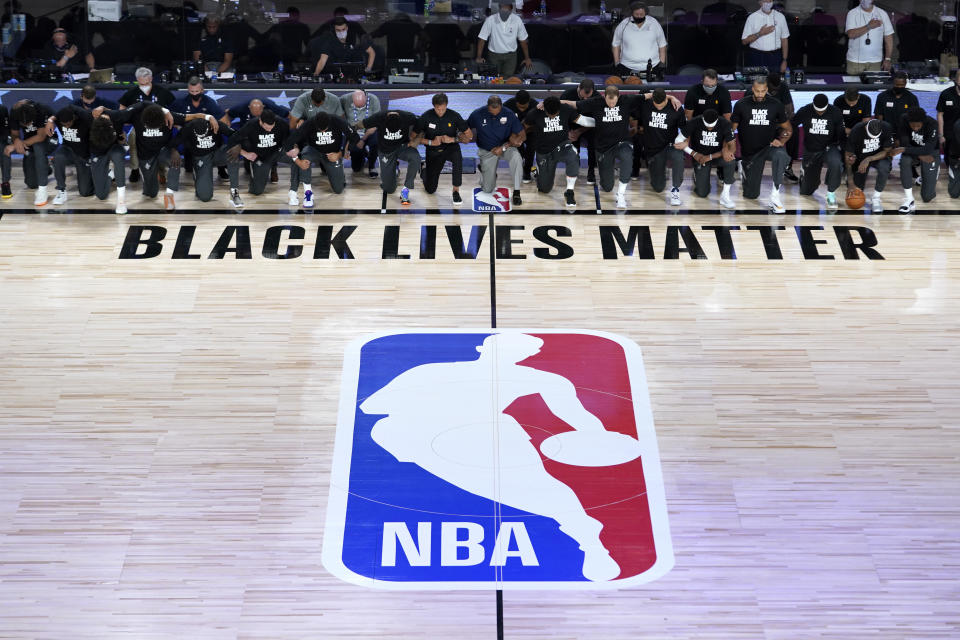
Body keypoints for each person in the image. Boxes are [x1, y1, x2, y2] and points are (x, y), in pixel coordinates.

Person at [359, 333, 621, 583]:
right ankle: (583, 531)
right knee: (388, 430)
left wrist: (601, 440)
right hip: (431, 436)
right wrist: (434, 398)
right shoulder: (431, 372)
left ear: (526, 356)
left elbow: (579, 418)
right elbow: (372, 406)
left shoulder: (541, 379)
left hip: (490, 436)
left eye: (518, 352)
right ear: (483, 349)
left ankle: (591, 543)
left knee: (543, 488)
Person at [98, 102, 206, 210]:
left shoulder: (169, 116)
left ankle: (169, 195)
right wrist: (102, 108)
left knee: (175, 161)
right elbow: (115, 115)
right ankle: (154, 178)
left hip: (163, 150)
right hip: (146, 154)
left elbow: (193, 117)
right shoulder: (135, 115)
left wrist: (208, 117)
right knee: (151, 193)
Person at [573, 84, 643, 209]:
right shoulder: (596, 102)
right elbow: (574, 104)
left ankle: (621, 195)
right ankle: (607, 178)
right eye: (609, 102)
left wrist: (671, 98)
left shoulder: (626, 100)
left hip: (622, 142)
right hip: (603, 147)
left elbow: (649, 96)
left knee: (627, 158)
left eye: (614, 102)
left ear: (618, 97)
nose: (612, 105)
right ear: (604, 96)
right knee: (607, 187)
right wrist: (556, 102)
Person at [731, 76, 792, 213]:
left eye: (763, 91)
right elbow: (731, 129)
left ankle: (775, 196)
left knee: (781, 155)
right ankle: (743, 166)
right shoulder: (741, 104)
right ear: (752, 89)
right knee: (751, 195)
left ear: (767, 90)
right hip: (750, 152)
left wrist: (781, 141)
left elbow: (788, 129)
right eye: (757, 91)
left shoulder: (775, 104)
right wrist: (730, 147)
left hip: (768, 147)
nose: (760, 94)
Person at [283, 111, 357, 206]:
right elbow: (289, 142)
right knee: (305, 156)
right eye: (320, 130)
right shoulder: (309, 123)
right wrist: (297, 160)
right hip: (314, 150)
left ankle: (340, 173)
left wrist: (340, 153)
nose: (322, 132)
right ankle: (308, 194)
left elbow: (355, 137)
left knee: (338, 190)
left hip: (332, 153)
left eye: (325, 129)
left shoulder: (337, 121)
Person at [224, 109, 293, 208]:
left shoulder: (282, 123)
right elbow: (232, 140)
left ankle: (295, 189)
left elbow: (289, 140)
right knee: (256, 191)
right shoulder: (251, 125)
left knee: (298, 158)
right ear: (260, 121)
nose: (269, 130)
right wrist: (246, 154)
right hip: (260, 156)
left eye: (272, 127)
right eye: (267, 128)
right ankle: (257, 169)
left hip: (277, 152)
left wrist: (293, 149)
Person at [117, 67, 175, 184]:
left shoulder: (162, 91)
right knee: (132, 138)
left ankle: (161, 170)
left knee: (163, 141)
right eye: (141, 83)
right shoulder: (131, 93)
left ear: (151, 79)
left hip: (159, 125)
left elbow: (173, 107)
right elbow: (121, 110)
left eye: (147, 82)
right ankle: (135, 168)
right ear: (137, 80)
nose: (144, 86)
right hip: (139, 125)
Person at [523, 96, 582, 208]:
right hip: (544, 151)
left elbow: (582, 120)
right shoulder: (534, 112)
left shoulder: (566, 108)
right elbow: (524, 126)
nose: (553, 116)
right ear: (544, 110)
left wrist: (599, 122)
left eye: (555, 114)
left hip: (562, 146)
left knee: (573, 156)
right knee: (545, 189)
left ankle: (569, 192)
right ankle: (538, 173)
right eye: (550, 115)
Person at [467, 95, 525, 206]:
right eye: (492, 112)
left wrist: (504, 147)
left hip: (506, 147)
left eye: (497, 112)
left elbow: (523, 135)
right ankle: (485, 171)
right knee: (487, 190)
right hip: (487, 150)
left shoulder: (509, 114)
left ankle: (517, 191)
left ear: (501, 106)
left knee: (516, 158)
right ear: (487, 107)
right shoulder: (477, 114)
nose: (495, 114)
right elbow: (465, 127)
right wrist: (463, 135)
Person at [674, 108, 736, 209]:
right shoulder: (694, 121)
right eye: (707, 126)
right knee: (702, 193)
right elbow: (678, 141)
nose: (709, 129)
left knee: (730, 160)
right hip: (700, 157)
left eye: (712, 127)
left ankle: (725, 195)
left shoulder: (724, 123)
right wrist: (693, 153)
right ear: (703, 119)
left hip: (716, 155)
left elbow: (732, 148)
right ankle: (698, 176)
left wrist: (712, 156)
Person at [791, 93, 844, 210]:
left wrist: (845, 151)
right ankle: (805, 175)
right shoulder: (805, 110)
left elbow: (841, 134)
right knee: (806, 192)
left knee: (836, 163)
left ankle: (831, 194)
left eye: (822, 111)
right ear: (813, 105)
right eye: (817, 110)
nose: (820, 113)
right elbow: (792, 125)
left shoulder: (835, 112)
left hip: (830, 147)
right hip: (811, 149)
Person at [358, 110, 422, 205]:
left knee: (416, 157)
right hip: (386, 152)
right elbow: (360, 125)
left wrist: (416, 139)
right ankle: (393, 168)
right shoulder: (378, 117)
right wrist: (351, 132)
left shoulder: (408, 116)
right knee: (389, 189)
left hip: (403, 147)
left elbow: (423, 124)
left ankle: (406, 189)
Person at [418, 93, 471, 203]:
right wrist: (431, 142)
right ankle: (424, 171)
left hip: (450, 148)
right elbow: (413, 138)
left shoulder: (454, 116)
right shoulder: (426, 116)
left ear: (446, 105)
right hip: (433, 150)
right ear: (434, 106)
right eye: (438, 109)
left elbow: (469, 136)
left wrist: (453, 139)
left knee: (458, 159)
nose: (440, 112)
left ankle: (456, 191)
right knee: (430, 190)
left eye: (443, 109)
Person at [169, 115, 235, 204]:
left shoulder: (216, 124)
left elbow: (235, 134)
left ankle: (235, 190)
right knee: (205, 197)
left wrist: (237, 146)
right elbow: (174, 142)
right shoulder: (188, 127)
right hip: (201, 157)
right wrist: (174, 150)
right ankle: (198, 173)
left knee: (234, 152)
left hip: (216, 152)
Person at [637, 88, 686, 207]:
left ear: (666, 99)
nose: (659, 108)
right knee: (658, 187)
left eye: (662, 105)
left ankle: (675, 190)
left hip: (671, 145)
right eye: (656, 105)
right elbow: (630, 99)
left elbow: (685, 129)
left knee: (679, 157)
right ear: (652, 99)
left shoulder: (676, 107)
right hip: (654, 149)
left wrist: (685, 142)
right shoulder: (644, 105)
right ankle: (660, 170)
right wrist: (670, 96)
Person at [7, 99, 54, 206]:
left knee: (38, 147)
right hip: (29, 143)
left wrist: (16, 145)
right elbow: (14, 134)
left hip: (48, 140)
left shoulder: (40, 110)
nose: (26, 125)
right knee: (31, 184)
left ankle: (43, 190)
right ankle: (47, 167)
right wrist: (17, 140)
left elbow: (41, 137)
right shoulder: (15, 111)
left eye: (28, 123)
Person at [845, 117, 896, 213]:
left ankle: (876, 198)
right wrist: (851, 182)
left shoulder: (886, 127)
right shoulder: (856, 130)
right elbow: (848, 156)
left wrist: (869, 159)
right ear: (866, 128)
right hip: (860, 158)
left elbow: (887, 151)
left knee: (884, 167)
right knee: (856, 188)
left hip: (878, 157)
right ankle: (850, 180)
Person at [49, 105, 95, 206]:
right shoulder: (58, 117)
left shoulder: (86, 118)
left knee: (85, 192)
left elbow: (96, 137)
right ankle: (61, 191)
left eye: (68, 124)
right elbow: (53, 115)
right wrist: (50, 120)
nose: (66, 126)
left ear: (73, 118)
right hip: (68, 149)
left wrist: (93, 157)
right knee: (58, 157)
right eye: (63, 124)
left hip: (83, 154)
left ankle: (108, 175)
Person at [898, 107, 939, 213]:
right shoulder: (904, 119)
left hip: (930, 153)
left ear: (923, 122)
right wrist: (920, 156)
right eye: (913, 126)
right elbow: (904, 143)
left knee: (927, 197)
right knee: (904, 161)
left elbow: (928, 148)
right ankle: (909, 199)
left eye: (918, 126)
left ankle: (934, 171)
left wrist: (906, 149)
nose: (915, 128)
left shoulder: (932, 123)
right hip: (912, 150)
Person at [476, 2, 532, 78]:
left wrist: (527, 58)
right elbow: (482, 39)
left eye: (507, 11)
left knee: (507, 81)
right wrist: (479, 57)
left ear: (511, 10)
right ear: (499, 9)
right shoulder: (491, 19)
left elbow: (523, 40)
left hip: (511, 57)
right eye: (503, 11)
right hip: (494, 56)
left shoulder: (517, 20)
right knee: (494, 79)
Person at [611, 1, 667, 76]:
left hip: (652, 67)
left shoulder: (654, 23)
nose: (639, 16)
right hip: (627, 67)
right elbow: (615, 45)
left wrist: (662, 64)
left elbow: (662, 45)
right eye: (636, 14)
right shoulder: (623, 25)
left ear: (645, 14)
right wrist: (617, 63)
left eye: (641, 14)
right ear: (632, 14)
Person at [560, 79, 598, 185]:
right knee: (572, 148)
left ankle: (591, 171)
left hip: (589, 127)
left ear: (593, 90)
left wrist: (579, 131)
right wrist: (568, 132)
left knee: (593, 143)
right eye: (582, 97)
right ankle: (574, 169)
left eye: (588, 98)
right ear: (579, 88)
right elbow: (561, 117)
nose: (585, 100)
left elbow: (597, 120)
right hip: (571, 127)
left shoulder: (598, 97)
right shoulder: (567, 95)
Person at [765, 71, 799, 183]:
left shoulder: (783, 86)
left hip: (777, 122)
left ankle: (788, 167)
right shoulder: (758, 88)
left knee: (793, 130)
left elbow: (790, 110)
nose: (775, 91)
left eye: (777, 88)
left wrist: (783, 125)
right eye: (772, 88)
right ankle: (748, 163)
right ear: (767, 83)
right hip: (761, 122)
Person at [340, 89, 381, 178]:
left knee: (376, 142)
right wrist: (346, 148)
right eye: (356, 106)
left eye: (361, 106)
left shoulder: (374, 99)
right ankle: (364, 154)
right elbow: (339, 119)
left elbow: (376, 124)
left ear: (366, 98)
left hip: (370, 131)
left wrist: (363, 139)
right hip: (353, 132)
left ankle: (372, 165)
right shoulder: (344, 99)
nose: (359, 108)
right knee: (356, 169)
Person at [844, 0, 893, 73]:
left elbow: (888, 38)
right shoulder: (852, 13)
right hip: (854, 61)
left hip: (875, 61)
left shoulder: (882, 13)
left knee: (874, 84)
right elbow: (851, 34)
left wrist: (888, 58)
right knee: (854, 84)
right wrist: (869, 26)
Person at [741, 0, 789, 73]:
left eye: (769, 1)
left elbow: (784, 39)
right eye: (765, 1)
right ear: (759, 2)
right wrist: (760, 33)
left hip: (775, 57)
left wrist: (784, 60)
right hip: (757, 56)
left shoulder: (780, 17)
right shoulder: (752, 17)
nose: (768, 3)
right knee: (758, 82)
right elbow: (744, 41)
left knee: (774, 83)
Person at [503, 90, 538, 183]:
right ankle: (521, 165)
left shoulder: (536, 106)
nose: (522, 109)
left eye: (524, 107)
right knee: (520, 152)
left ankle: (527, 171)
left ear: (529, 102)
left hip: (531, 132)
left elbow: (539, 123)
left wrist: (525, 131)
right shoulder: (507, 105)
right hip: (514, 133)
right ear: (516, 102)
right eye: (519, 107)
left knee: (531, 150)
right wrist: (511, 136)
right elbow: (503, 123)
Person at [936, 69, 960, 163]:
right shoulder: (946, 94)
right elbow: (940, 115)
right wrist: (941, 135)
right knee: (949, 162)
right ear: (955, 80)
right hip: (949, 133)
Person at [0, 105, 11, 198]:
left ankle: (5, 183)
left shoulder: (2, 108)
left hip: (1, 138)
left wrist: (7, 140)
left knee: (5, 152)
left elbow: (6, 127)